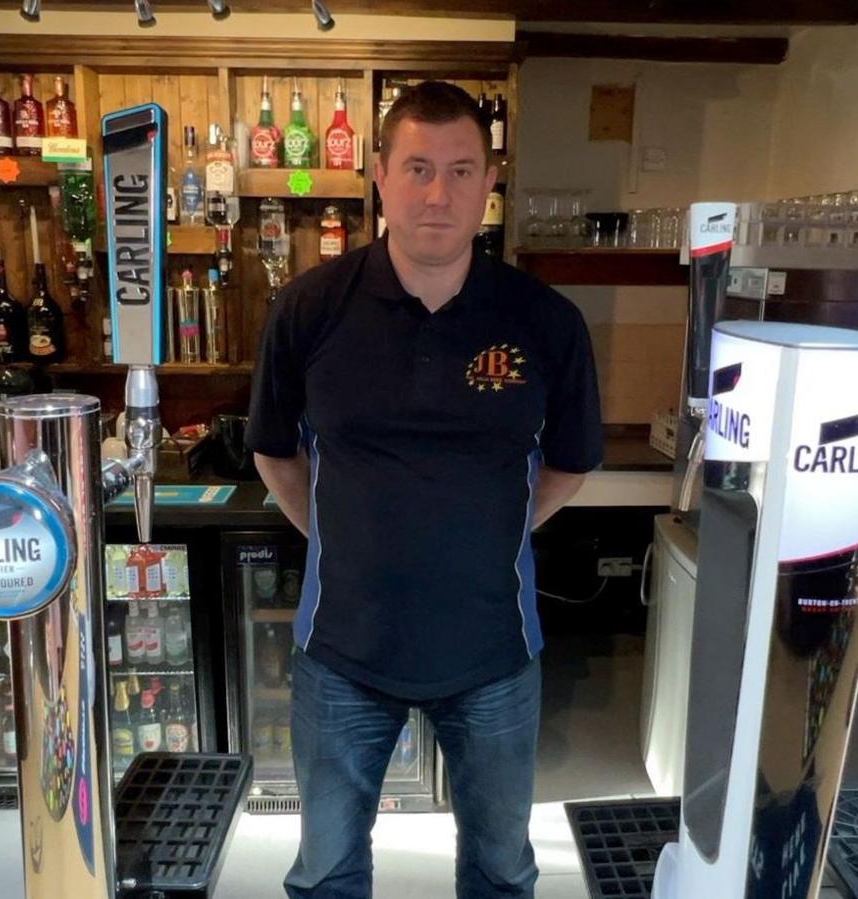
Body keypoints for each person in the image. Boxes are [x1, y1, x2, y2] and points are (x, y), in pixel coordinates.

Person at [246, 80, 603, 899]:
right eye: (416, 167)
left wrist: (493, 533)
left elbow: (571, 463)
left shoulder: (545, 321)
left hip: (493, 655)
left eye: (460, 170)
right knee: (328, 872)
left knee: (502, 872)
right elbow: (275, 454)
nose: (438, 192)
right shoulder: (309, 309)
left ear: (489, 180)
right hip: (342, 652)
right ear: (378, 174)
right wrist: (342, 535)